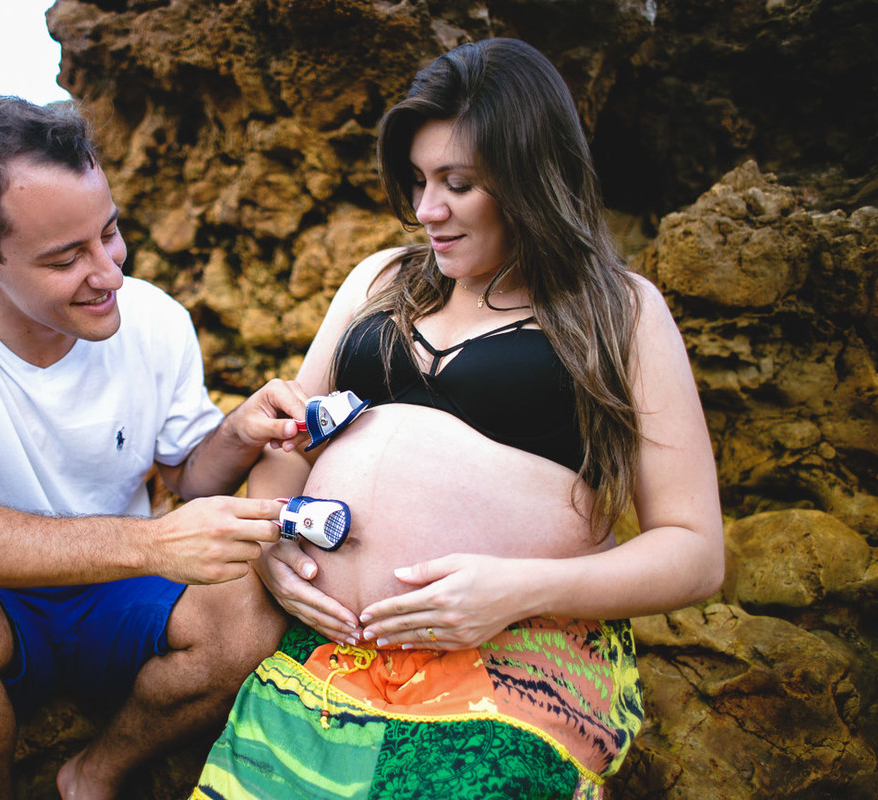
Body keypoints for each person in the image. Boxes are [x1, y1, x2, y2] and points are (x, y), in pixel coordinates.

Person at [191, 38, 724, 799]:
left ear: (531, 176)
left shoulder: (621, 310)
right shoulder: (378, 280)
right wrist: (273, 545)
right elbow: (293, 440)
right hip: (335, 651)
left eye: (459, 183)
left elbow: (695, 550)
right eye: (418, 181)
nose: (426, 210)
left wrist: (515, 590)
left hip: (517, 654)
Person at [0, 95, 307, 800]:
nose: (111, 273)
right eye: (67, 258)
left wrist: (236, 432)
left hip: (119, 599)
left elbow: (187, 477)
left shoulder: (154, 319)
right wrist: (149, 547)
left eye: (110, 232)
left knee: (250, 606)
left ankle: (94, 776)